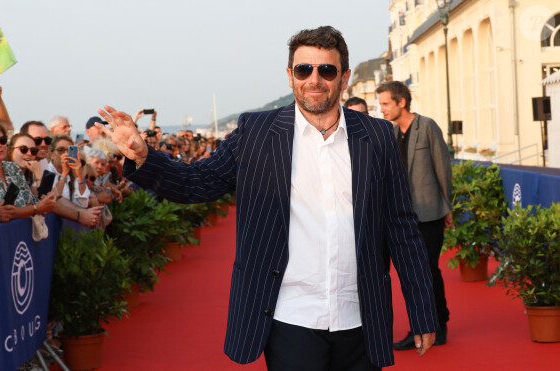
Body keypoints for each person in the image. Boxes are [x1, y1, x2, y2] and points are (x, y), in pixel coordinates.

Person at [97, 25, 438, 370]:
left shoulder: (378, 135)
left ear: (344, 77)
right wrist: (143, 155)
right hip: (290, 317)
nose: (314, 79)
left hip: (360, 317)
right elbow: (197, 182)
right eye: (304, 69)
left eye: (327, 70)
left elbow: (402, 227)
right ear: (290, 76)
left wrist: (423, 311)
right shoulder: (256, 132)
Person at [376, 80, 453, 349]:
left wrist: (448, 207)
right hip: (403, 217)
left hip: (430, 212)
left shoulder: (427, 126)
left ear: (401, 102)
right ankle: (420, 328)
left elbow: (443, 167)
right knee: (414, 274)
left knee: (429, 270)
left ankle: (439, 326)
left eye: (386, 104)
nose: (382, 109)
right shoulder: (392, 133)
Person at [0, 120, 56, 222]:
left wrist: (43, 203)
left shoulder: (12, 167)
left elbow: (30, 202)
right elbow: (1, 213)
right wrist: (37, 209)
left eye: (2, 140)